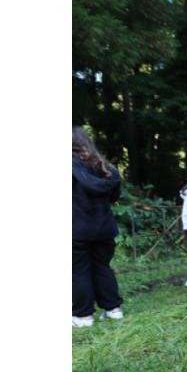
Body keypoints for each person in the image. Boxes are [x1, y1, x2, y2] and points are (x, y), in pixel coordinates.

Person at [72, 127, 123, 327]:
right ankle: (113, 310)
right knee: (102, 267)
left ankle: (83, 316)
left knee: (78, 270)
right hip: (104, 227)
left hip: (76, 228)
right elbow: (113, 197)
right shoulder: (105, 168)